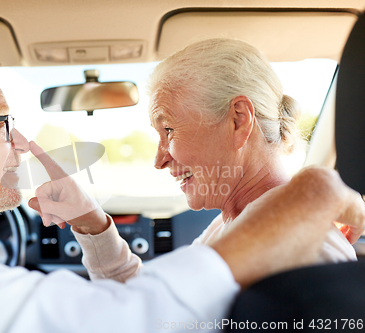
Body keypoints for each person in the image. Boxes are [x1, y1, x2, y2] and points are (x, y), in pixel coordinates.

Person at [0, 40, 363, 333]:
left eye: (168, 129)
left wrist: (92, 225)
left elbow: (151, 317)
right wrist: (314, 194)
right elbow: (129, 321)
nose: (20, 144)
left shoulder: (301, 243)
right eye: (1, 124)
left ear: (238, 120)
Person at [29, 38, 357, 283]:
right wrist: (93, 224)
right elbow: (153, 306)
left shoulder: (304, 251)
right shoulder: (234, 222)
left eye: (169, 129)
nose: (159, 161)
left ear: (239, 121)